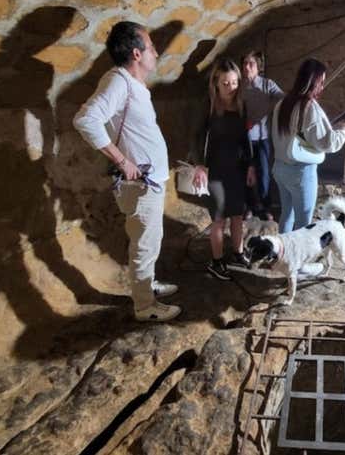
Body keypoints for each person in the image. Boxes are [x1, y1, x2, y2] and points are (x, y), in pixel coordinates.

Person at [74, 21, 181, 322]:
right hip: (140, 183)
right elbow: (86, 120)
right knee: (144, 243)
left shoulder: (133, 85)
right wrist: (122, 161)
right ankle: (145, 307)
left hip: (150, 181)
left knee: (151, 241)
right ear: (137, 53)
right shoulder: (118, 81)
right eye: (151, 47)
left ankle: (148, 287)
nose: (156, 52)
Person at [189, 59, 257, 281]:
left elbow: (246, 138)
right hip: (215, 169)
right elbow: (196, 135)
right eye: (226, 83)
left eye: (235, 83)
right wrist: (199, 165)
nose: (231, 87)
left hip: (237, 167)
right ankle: (216, 262)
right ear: (216, 83)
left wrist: (250, 165)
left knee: (237, 215)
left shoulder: (241, 104)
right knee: (219, 218)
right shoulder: (208, 103)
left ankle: (237, 253)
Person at [272, 58, 345, 236]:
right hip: (300, 173)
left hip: (279, 168)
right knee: (303, 222)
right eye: (321, 82)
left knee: (286, 215)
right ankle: (298, 263)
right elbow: (329, 143)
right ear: (312, 81)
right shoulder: (310, 108)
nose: (323, 87)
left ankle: (282, 258)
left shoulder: (282, 103)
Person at [241, 51, 284, 220]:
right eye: (244, 63)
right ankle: (249, 206)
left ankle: (265, 207)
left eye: (250, 64)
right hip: (245, 139)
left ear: (258, 67)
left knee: (264, 173)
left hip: (264, 138)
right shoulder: (239, 87)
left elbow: (283, 98)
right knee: (246, 174)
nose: (246, 67)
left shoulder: (267, 85)